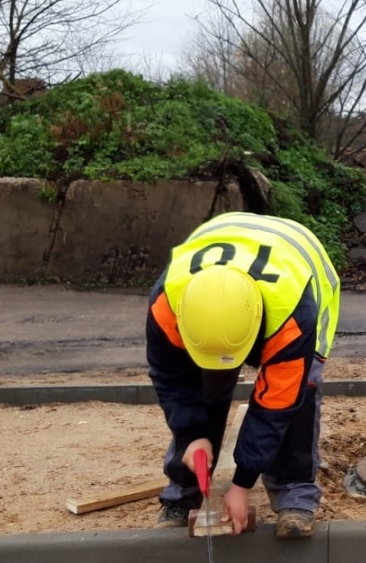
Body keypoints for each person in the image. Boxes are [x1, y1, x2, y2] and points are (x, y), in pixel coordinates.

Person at [145, 212, 340, 537]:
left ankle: (294, 494)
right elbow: (172, 379)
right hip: (222, 253)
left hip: (302, 274)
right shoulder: (167, 304)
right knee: (204, 390)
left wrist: (242, 482)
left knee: (299, 394)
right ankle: (183, 490)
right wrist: (192, 435)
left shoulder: (292, 315)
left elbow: (275, 405)